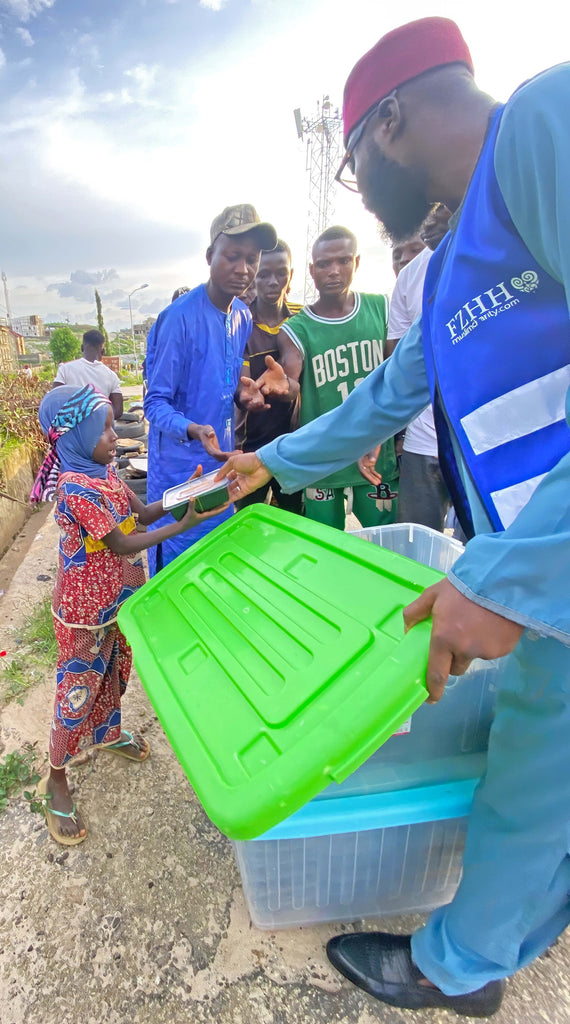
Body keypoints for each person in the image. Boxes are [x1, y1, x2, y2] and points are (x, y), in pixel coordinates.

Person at [220, 18, 570, 1017]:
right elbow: (385, 398)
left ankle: (459, 962)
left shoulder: (548, 123)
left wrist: (509, 577)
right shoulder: (461, 255)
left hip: (545, 563)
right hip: (546, 579)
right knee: (533, 777)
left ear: (391, 122)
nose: (361, 200)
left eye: (352, 167)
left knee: (536, 775)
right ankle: (468, 961)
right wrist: (264, 466)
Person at [30, 384, 224, 846]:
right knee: (76, 692)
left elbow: (142, 513)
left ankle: (108, 732)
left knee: (116, 674)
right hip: (84, 616)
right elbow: (121, 541)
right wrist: (183, 526)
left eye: (114, 426)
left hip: (119, 602)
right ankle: (55, 776)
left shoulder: (105, 472)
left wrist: (186, 497)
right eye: (104, 429)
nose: (114, 436)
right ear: (75, 435)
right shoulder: (76, 488)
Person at [144, 204, 277, 574]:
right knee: (177, 564)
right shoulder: (178, 320)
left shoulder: (242, 316)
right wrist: (194, 428)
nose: (243, 269)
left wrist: (243, 395)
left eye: (252, 258)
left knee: (212, 562)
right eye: (232, 256)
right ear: (210, 256)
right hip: (178, 469)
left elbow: (226, 384)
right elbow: (155, 404)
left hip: (220, 465)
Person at [250, 225, 398, 530]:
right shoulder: (297, 329)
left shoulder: (381, 308)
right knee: (324, 546)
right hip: (321, 459)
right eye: (324, 264)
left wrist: (402, 438)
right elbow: (291, 379)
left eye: (343, 261)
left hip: (376, 454)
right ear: (311, 271)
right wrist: (282, 386)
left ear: (356, 263)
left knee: (387, 542)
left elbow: (400, 377)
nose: (334, 271)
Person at [360, 204, 452, 531]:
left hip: (483, 445)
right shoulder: (408, 281)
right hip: (422, 445)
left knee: (485, 555)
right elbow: (397, 374)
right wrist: (379, 431)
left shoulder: (499, 248)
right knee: (416, 546)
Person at [234, 240, 303, 514]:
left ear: (291, 275)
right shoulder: (239, 324)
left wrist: (286, 386)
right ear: (253, 275)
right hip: (252, 447)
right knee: (248, 523)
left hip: (296, 446)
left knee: (294, 523)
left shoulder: (303, 318)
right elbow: (240, 388)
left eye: (280, 273)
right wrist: (246, 396)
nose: (273, 281)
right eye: (263, 274)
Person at [53, 329, 123, 420]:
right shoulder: (111, 376)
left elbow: (54, 399)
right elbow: (118, 410)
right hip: (99, 429)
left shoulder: (65, 369)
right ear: (103, 351)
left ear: (82, 348)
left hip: (71, 428)